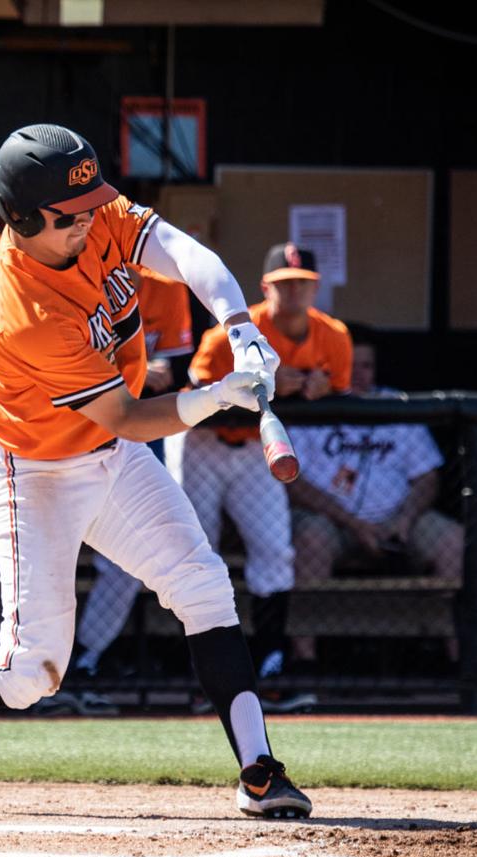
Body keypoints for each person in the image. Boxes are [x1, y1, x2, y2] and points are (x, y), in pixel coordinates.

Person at [0, 123, 313, 818]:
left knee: (204, 588)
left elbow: (184, 252)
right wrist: (218, 396)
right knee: (29, 671)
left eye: (92, 205)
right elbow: (132, 417)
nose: (90, 219)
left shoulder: (91, 212)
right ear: (21, 216)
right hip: (36, 474)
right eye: (69, 215)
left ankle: (259, 770)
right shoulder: (23, 312)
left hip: (113, 462)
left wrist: (238, 324)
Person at [171, 242, 351, 697]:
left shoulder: (333, 334)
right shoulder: (231, 334)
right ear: (265, 287)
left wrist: (318, 385)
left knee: (274, 550)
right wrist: (261, 386)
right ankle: (193, 666)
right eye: (284, 285)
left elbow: (342, 386)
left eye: (302, 285)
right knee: (197, 550)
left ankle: (270, 658)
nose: (294, 293)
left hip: (255, 450)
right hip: (204, 447)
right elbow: (193, 396)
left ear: (315, 289)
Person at [285, 323, 464, 668]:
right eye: (351, 366)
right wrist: (353, 524)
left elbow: (427, 477)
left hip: (398, 519)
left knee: (452, 540)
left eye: (366, 366)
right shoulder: (310, 408)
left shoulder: (397, 405)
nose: (360, 374)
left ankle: (459, 661)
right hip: (331, 521)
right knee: (311, 538)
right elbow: (294, 483)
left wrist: (406, 519)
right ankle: (305, 661)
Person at [68, 265, 193, 692]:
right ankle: (48, 667)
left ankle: (85, 659)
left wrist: (139, 373)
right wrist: (131, 373)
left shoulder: (165, 289)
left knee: (129, 563)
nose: (129, 271)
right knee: (52, 555)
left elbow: (176, 367)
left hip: (137, 431)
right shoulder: (78, 281)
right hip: (69, 432)